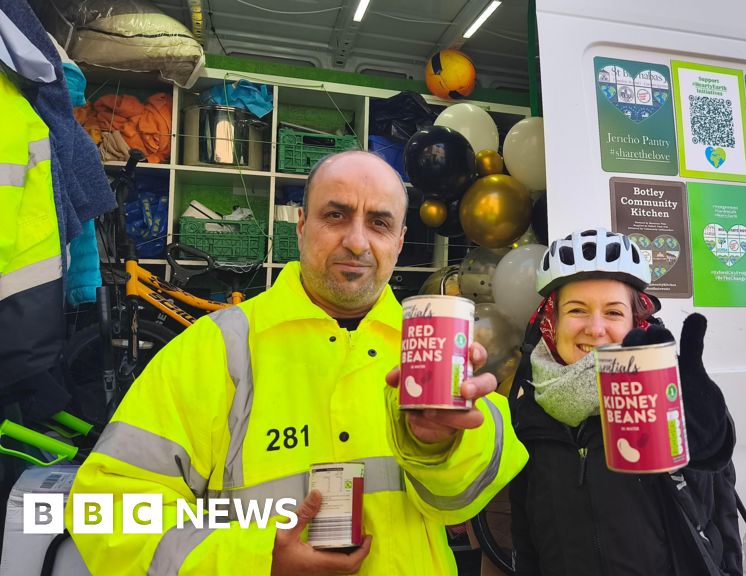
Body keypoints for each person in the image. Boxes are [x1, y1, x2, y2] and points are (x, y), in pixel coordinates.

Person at [67, 151, 528, 575]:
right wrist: (256, 562)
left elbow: (466, 500)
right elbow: (104, 508)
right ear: (302, 225)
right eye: (336, 215)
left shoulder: (431, 350)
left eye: (379, 223)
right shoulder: (217, 348)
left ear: (401, 240)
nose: (357, 242)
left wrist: (439, 445)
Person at [509, 228, 741, 576]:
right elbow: (526, 539)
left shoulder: (664, 394)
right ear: (551, 322)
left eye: (614, 313)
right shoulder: (528, 411)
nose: (595, 328)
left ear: (636, 322)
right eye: (577, 310)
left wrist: (705, 435)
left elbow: (716, 499)